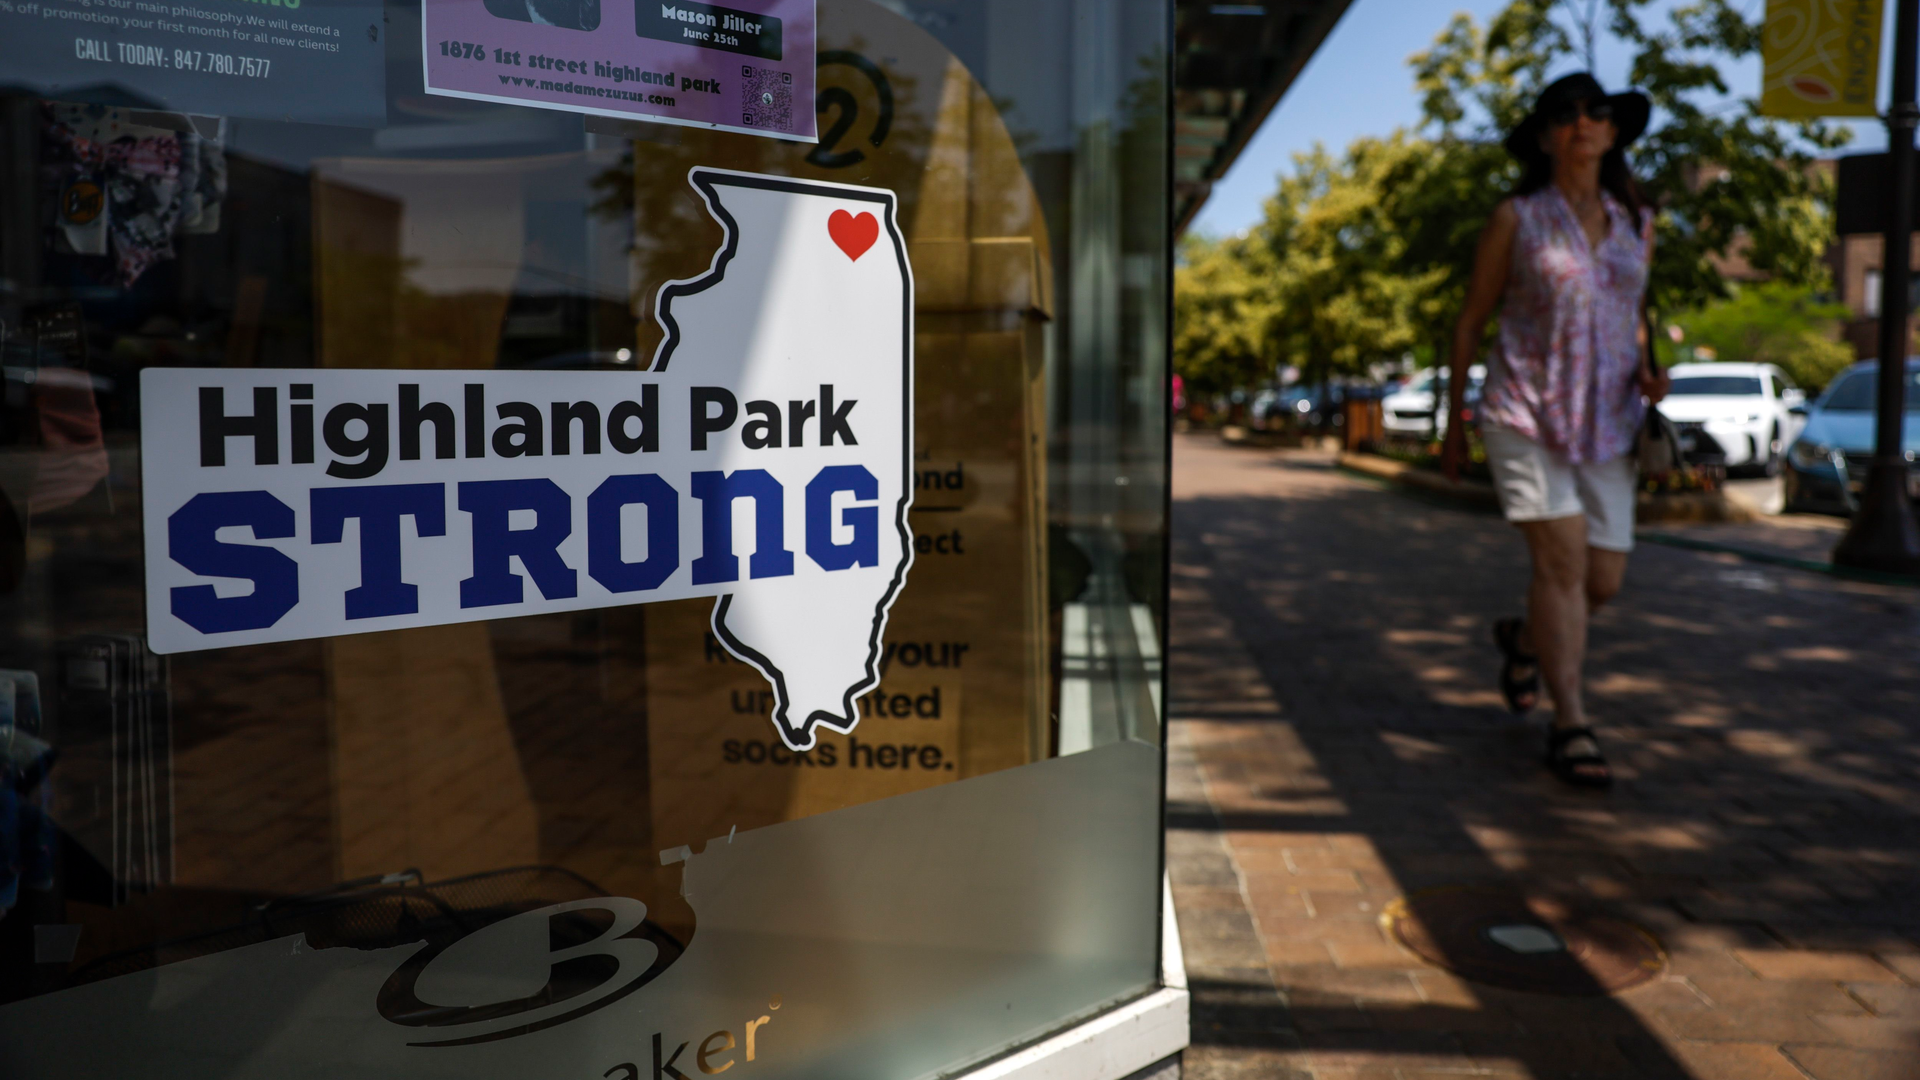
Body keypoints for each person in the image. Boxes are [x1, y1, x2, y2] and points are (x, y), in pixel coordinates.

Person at [1440, 73, 1671, 788]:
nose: (1583, 123)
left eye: (1597, 113)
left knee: (1603, 577)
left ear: (1614, 132)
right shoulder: (1517, 217)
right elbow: (1473, 319)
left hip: (1608, 418)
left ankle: (1525, 641)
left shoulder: (1637, 220)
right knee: (1564, 561)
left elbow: (1630, 310)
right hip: (1525, 409)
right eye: (1566, 114)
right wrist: (1455, 422)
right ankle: (1570, 720)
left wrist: (1646, 369)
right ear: (1545, 136)